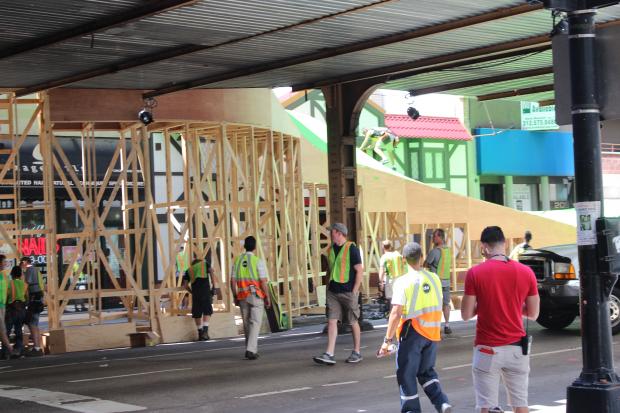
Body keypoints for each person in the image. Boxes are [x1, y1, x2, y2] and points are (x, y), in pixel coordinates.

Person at [461, 226, 540, 413]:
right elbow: (533, 313)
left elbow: (465, 314)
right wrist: (511, 305)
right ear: (504, 244)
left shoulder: (475, 273)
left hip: (487, 349)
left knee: (486, 406)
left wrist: (487, 304)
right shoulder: (526, 272)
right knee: (520, 405)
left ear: (484, 247)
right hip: (516, 350)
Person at [377, 242, 452, 413]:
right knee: (426, 373)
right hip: (432, 334)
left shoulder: (403, 282)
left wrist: (387, 341)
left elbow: (396, 312)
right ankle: (441, 402)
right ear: (422, 257)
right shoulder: (434, 278)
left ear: (403, 260)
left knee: (406, 375)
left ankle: (412, 410)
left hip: (412, 334)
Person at [313, 222, 364, 365]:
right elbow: (331, 269)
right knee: (331, 320)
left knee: (353, 321)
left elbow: (359, 271)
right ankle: (329, 353)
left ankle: (357, 352)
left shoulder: (351, 249)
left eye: (332, 232)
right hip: (333, 291)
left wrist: (354, 291)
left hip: (348, 292)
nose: (330, 234)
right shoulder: (331, 249)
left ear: (339, 233)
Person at [231, 236, 271, 360]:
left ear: (244, 247)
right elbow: (263, 282)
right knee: (255, 323)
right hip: (256, 296)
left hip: (242, 296)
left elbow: (232, 281)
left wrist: (235, 296)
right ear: (254, 247)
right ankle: (250, 349)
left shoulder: (237, 261)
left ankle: (250, 350)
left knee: (247, 324)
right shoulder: (257, 261)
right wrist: (267, 297)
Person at [183, 256, 219, 341]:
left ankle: (200, 332)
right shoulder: (204, 264)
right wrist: (214, 286)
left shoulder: (188, 270)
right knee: (207, 309)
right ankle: (205, 331)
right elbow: (211, 272)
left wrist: (192, 292)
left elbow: (185, 285)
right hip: (205, 290)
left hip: (196, 293)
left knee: (197, 312)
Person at [424, 229, 453, 335]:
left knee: (436, 305)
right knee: (446, 304)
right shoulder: (448, 250)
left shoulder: (435, 251)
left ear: (440, 237)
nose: (433, 238)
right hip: (446, 281)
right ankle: (447, 325)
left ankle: (436, 327)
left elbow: (425, 264)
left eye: (434, 236)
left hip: (436, 283)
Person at [20, 257, 45, 357]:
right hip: (38, 299)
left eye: (21, 264)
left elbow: (26, 284)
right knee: (34, 323)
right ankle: (38, 347)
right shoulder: (36, 270)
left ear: (25, 262)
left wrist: (20, 296)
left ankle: (37, 348)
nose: (22, 266)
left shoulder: (30, 270)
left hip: (34, 300)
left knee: (32, 323)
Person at [378, 239, 406, 313]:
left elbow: (382, 271)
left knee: (392, 300)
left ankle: (392, 315)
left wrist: (380, 283)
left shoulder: (384, 257)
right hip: (401, 280)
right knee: (400, 298)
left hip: (391, 280)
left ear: (383, 247)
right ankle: (401, 315)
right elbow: (405, 266)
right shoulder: (398, 255)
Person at [6, 265, 27, 358]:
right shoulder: (24, 284)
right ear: (21, 274)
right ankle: (19, 350)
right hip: (22, 309)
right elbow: (27, 297)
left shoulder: (10, 283)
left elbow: (6, 296)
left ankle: (5, 352)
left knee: (6, 331)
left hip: (11, 309)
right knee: (19, 331)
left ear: (12, 274)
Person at [0, 255, 14, 359]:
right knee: (2, 329)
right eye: (4, 261)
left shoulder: (5, 275)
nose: (5, 263)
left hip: (3, 305)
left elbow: (10, 288)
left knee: (2, 328)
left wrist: (11, 301)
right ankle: (10, 350)